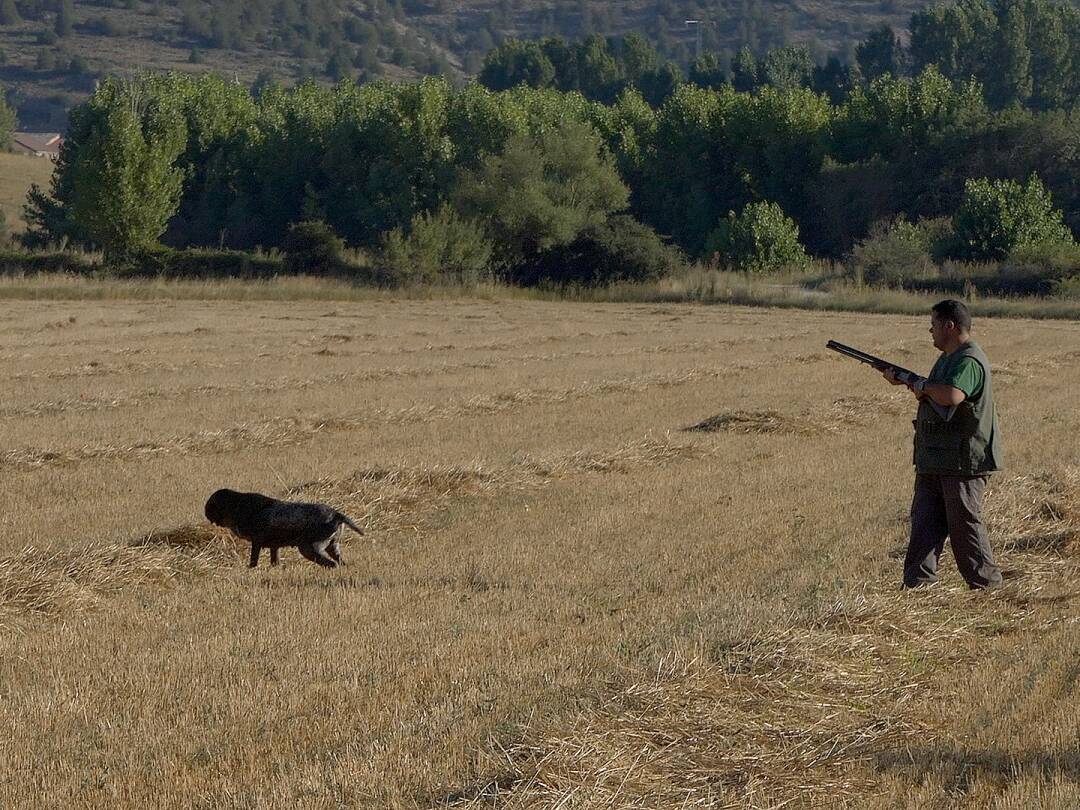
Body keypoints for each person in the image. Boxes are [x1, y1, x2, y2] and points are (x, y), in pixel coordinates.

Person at [883, 299, 1003, 589]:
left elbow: (951, 396)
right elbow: (938, 398)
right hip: (936, 459)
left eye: (934, 324)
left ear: (949, 325)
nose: (930, 330)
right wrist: (914, 385)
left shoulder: (968, 359)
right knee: (924, 526)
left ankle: (988, 588)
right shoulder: (948, 357)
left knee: (965, 529)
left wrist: (921, 386)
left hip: (961, 461)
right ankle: (918, 587)